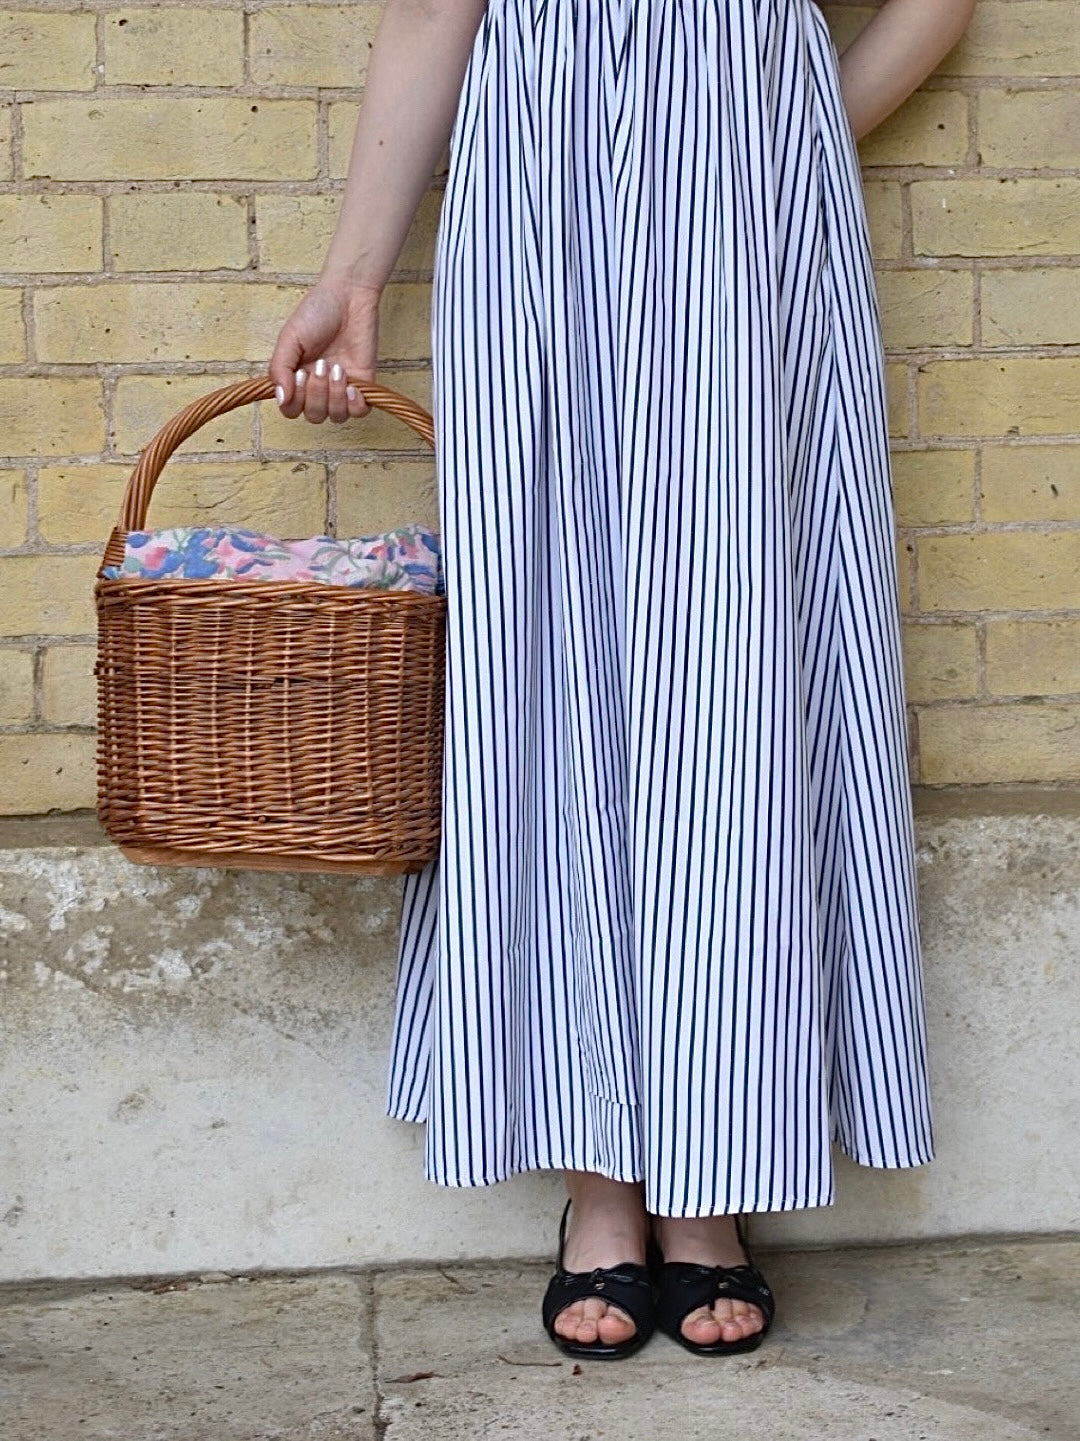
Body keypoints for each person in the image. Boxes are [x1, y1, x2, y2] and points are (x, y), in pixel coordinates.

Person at [270, 0, 977, 1361]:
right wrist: (353, 274)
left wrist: (790, 119)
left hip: (748, 192)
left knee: (744, 663)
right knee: (550, 648)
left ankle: (717, 1176)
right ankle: (603, 1174)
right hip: (540, 186)